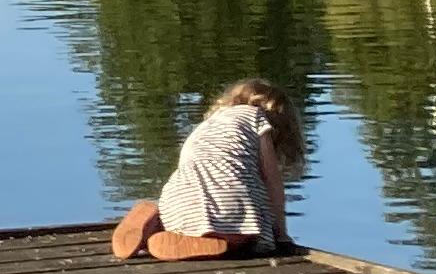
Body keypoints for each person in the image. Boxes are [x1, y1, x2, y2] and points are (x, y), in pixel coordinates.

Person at [109, 80, 304, 261]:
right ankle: (217, 243)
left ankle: (155, 221)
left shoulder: (205, 127)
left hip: (176, 200)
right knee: (245, 237)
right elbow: (272, 181)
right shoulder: (257, 118)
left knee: (185, 215)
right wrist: (281, 233)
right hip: (229, 207)